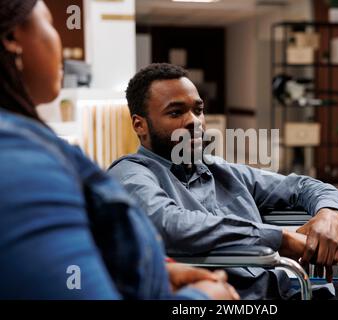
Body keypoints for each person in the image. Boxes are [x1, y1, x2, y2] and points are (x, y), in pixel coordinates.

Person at [109, 63, 338, 300]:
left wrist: (329, 213)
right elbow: (171, 225)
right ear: (140, 125)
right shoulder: (133, 173)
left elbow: (305, 186)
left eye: (198, 109)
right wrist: (282, 239)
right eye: (175, 113)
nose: (195, 121)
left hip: (300, 289)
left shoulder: (222, 170)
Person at [0, 0, 239, 300]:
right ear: (12, 38)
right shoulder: (21, 163)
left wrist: (154, 273)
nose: (193, 122)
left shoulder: (25, 148)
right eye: (49, 22)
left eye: (198, 110)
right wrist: (203, 299)